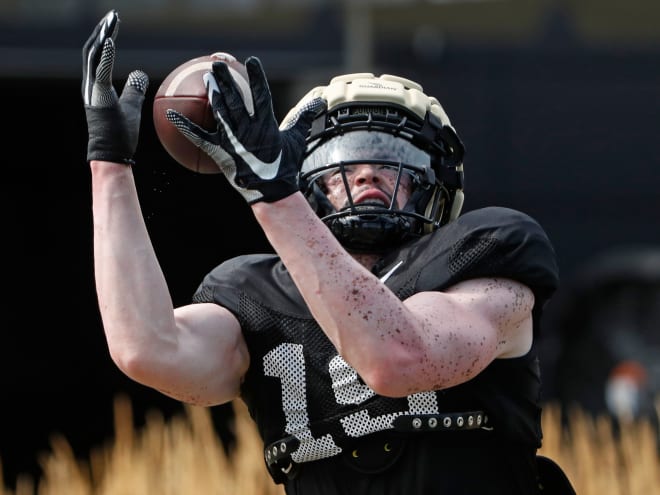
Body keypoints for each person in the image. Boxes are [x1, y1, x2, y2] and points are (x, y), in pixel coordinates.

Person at [82, 10, 574, 494]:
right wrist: (109, 167)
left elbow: (397, 359)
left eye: (395, 157)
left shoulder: (486, 252)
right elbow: (147, 349)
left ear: (436, 185)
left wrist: (273, 197)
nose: (367, 173)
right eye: (344, 160)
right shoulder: (255, 292)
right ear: (304, 180)